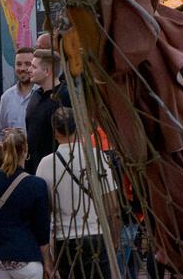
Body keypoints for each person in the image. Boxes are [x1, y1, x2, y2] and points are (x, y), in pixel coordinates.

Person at [42, 105, 112, 279]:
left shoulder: (45, 164)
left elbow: (43, 214)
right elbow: (113, 204)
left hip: (64, 240)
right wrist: (114, 242)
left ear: (55, 132)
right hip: (96, 236)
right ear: (79, 127)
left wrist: (48, 259)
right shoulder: (98, 156)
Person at [0, 131, 50, 279]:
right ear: (26, 151)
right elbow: (42, 230)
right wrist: (48, 262)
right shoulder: (37, 185)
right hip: (27, 257)